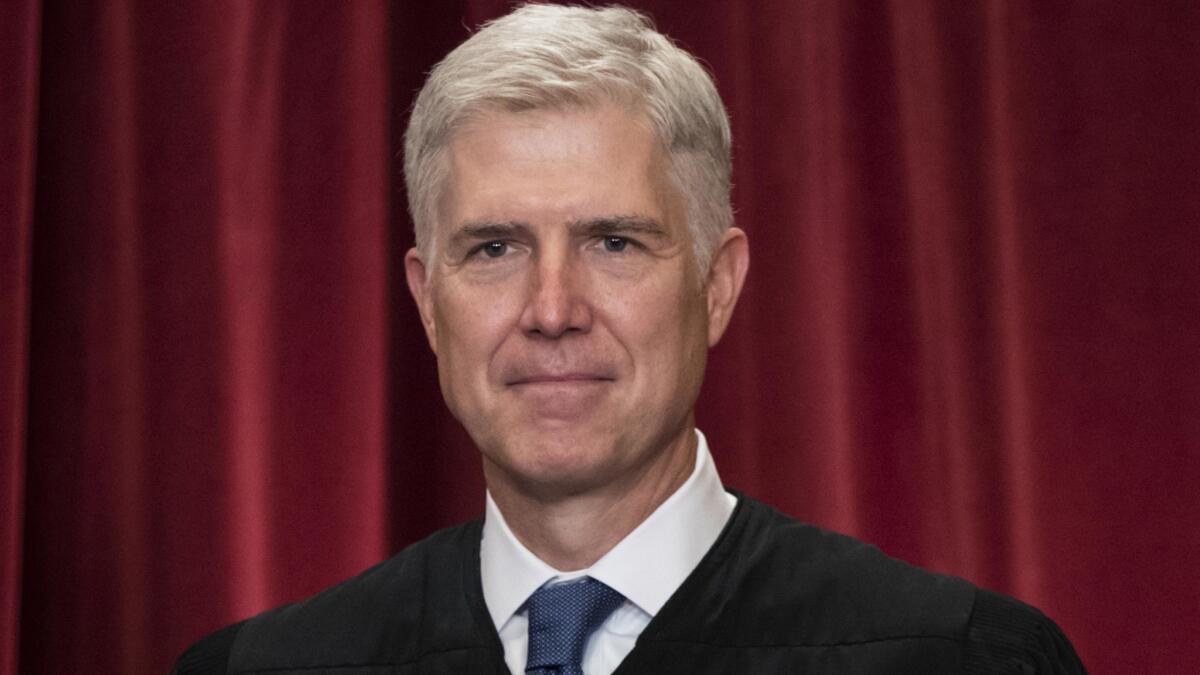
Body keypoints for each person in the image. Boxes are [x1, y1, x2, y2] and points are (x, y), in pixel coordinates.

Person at [175, 4, 1084, 673]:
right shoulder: (261, 668)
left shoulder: (960, 660)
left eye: (614, 242)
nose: (553, 306)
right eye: (494, 248)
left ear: (717, 286)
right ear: (426, 299)